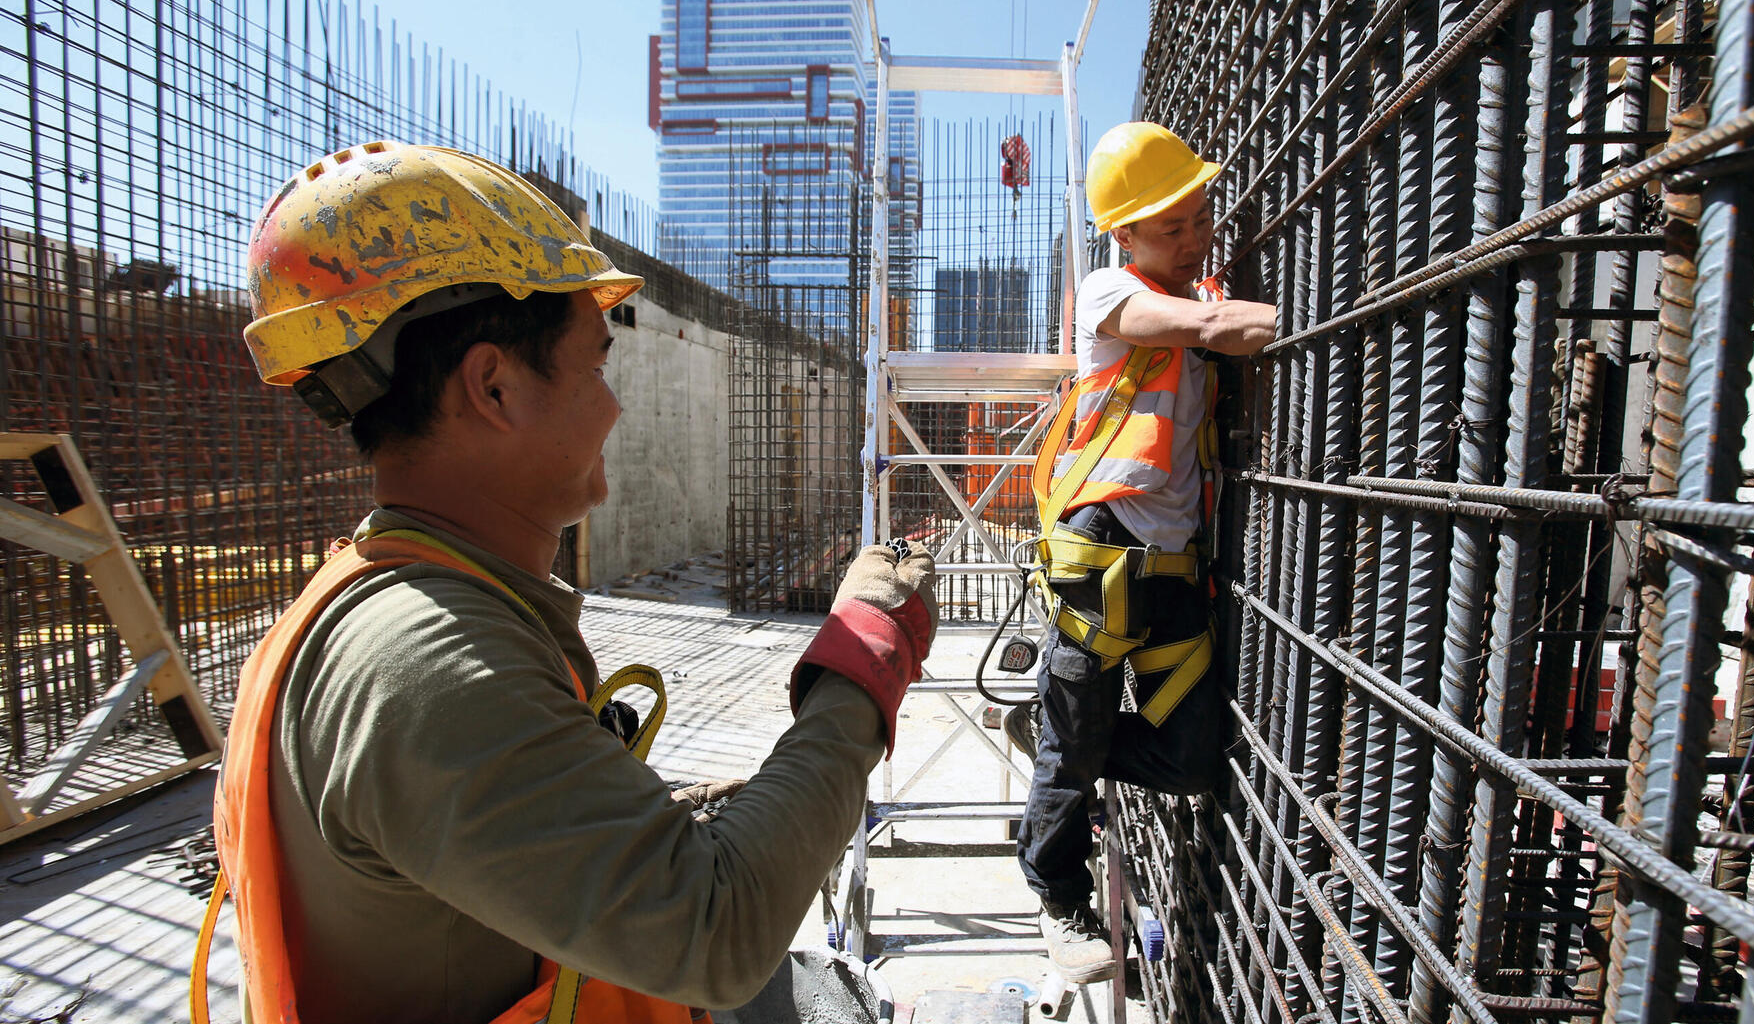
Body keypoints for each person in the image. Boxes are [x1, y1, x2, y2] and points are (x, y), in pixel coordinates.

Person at [197, 141, 936, 1024]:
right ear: (495, 386)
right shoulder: (426, 664)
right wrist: (865, 656)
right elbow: (718, 931)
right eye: (594, 365)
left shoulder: (412, 598)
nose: (614, 404)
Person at [1011, 122, 1277, 983]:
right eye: (1173, 225)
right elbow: (1193, 325)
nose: (1195, 235)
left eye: (1200, 217)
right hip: (1101, 562)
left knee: (1192, 755)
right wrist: (1279, 318)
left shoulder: (1192, 293)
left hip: (1171, 573)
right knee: (1075, 740)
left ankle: (1059, 742)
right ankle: (1059, 901)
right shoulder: (1107, 294)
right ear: (1123, 233)